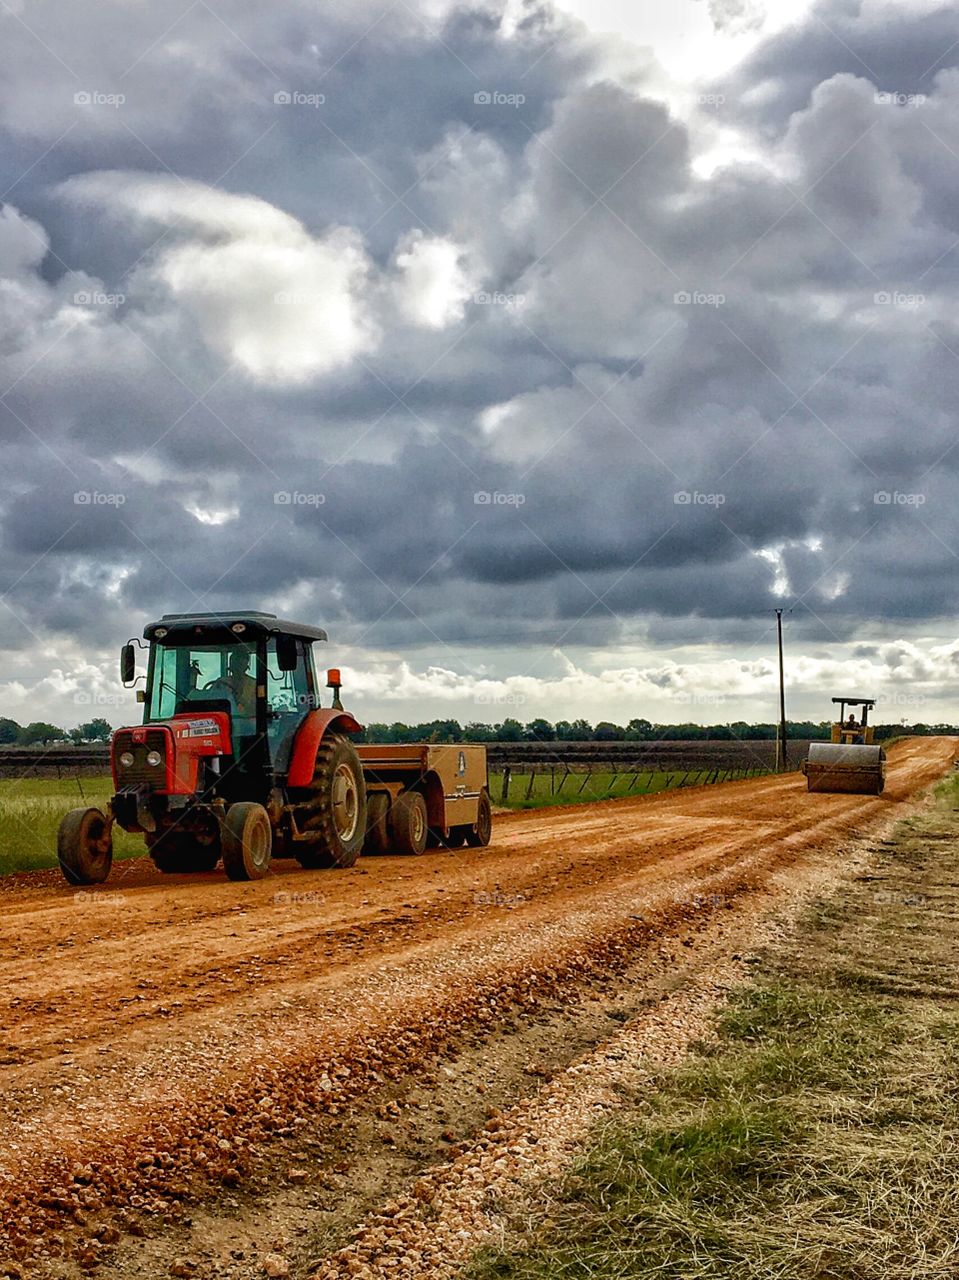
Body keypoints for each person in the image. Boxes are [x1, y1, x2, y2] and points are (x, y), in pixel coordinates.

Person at [206, 648, 257, 717]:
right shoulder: (221, 683)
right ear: (231, 667)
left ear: (246, 666)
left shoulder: (254, 684)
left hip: (249, 724)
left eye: (240, 665)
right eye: (236, 665)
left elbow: (258, 707)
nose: (238, 669)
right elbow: (210, 702)